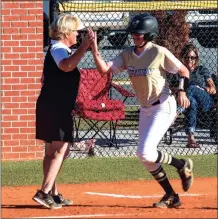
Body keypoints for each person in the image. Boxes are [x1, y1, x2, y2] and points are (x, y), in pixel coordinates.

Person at [89, 13, 194, 208]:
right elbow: (105, 69)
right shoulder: (128, 54)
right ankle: (172, 194)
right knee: (144, 156)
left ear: (149, 34)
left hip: (163, 105)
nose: (135, 37)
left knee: (146, 152)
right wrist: (95, 49)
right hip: (145, 109)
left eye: (139, 34)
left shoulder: (158, 52)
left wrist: (182, 90)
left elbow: (183, 71)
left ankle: (181, 165)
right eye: (134, 34)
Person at [33, 13, 94, 209]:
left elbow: (46, 78)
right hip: (56, 107)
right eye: (76, 31)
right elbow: (66, 66)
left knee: (52, 151)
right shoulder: (59, 49)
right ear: (66, 32)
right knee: (61, 150)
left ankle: (53, 193)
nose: (78, 35)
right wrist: (85, 47)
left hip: (52, 105)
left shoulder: (55, 49)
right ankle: (44, 192)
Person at [179, 43, 217, 148]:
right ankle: (191, 138)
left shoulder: (201, 70)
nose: (189, 60)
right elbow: (173, 88)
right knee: (191, 100)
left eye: (192, 57)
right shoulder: (179, 71)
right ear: (182, 57)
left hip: (205, 101)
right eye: (186, 57)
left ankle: (179, 110)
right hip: (188, 101)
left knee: (191, 88)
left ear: (196, 58)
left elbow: (212, 89)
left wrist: (202, 89)